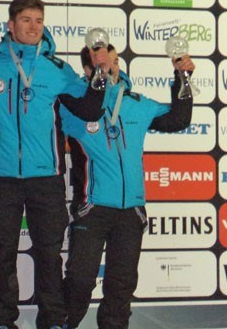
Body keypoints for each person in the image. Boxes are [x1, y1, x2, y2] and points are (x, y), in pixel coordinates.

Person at [0, 0, 106, 329]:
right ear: (11, 24)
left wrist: (100, 73)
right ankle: (3, 320)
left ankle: (52, 320)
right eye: (26, 20)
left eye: (39, 21)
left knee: (48, 254)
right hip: (1, 176)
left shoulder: (58, 69)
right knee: (3, 254)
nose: (33, 27)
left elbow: (89, 109)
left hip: (45, 177)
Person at [61, 46, 195, 329]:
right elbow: (83, 111)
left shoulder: (136, 102)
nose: (111, 68)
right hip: (93, 208)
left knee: (121, 287)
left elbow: (178, 119)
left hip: (130, 210)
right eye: (102, 64)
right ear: (88, 70)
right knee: (80, 281)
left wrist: (182, 77)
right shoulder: (75, 106)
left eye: (114, 61)